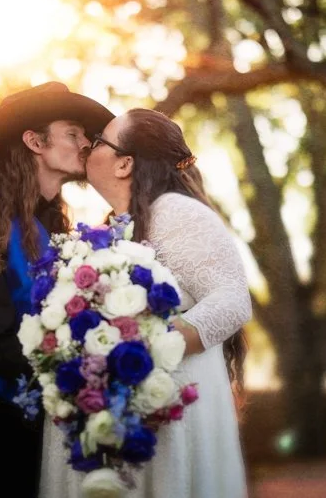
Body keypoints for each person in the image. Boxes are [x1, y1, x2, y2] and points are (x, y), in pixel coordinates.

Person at [40, 108, 252, 498]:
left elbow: (231, 300)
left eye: (100, 140)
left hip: (164, 420)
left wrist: (138, 349)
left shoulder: (176, 212)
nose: (88, 146)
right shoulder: (113, 228)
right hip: (110, 416)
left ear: (124, 164)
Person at [0, 81, 114, 498]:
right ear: (34, 141)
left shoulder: (54, 227)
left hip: (37, 425)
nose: (86, 143)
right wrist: (81, 383)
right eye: (73, 133)